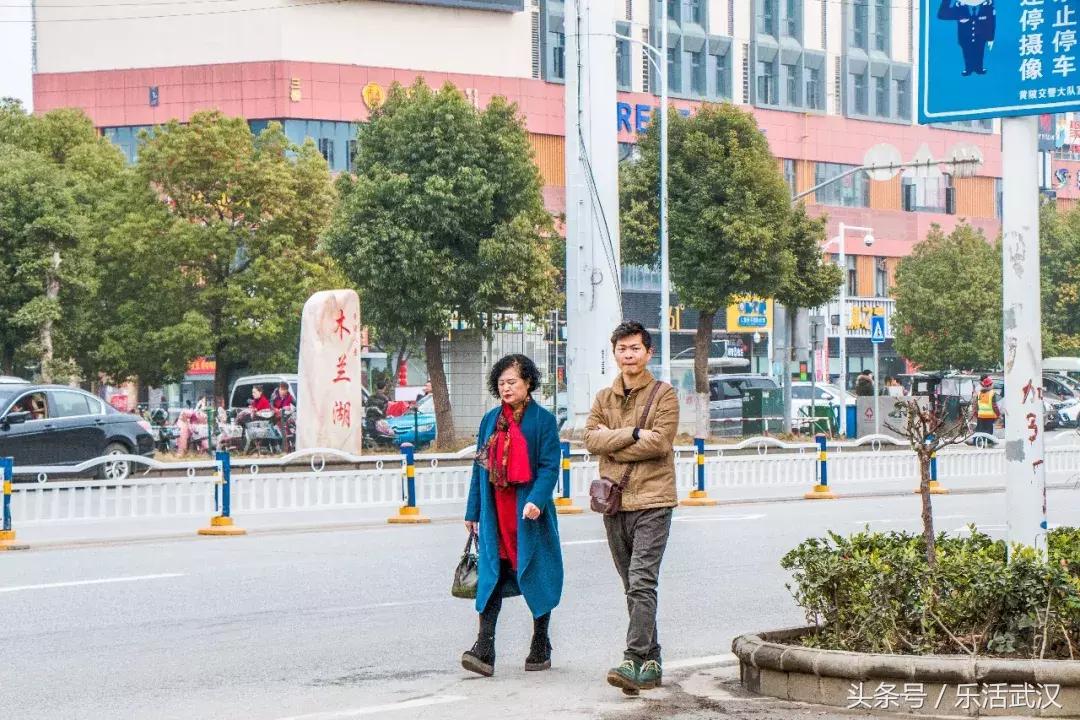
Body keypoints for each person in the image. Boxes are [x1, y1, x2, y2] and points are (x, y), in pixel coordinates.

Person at [584, 321, 680, 695]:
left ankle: (633, 659)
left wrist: (614, 444)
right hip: (615, 502)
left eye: (635, 348)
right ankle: (652, 663)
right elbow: (590, 440)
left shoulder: (664, 394)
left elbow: (660, 443)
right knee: (633, 586)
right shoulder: (603, 398)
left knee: (641, 581)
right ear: (615, 354)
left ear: (648, 353)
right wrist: (634, 433)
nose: (628, 355)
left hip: (654, 500)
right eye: (622, 349)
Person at [462, 354, 563, 678]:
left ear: (528, 382)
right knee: (491, 575)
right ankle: (484, 648)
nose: (506, 388)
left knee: (536, 574)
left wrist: (537, 500)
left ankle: (540, 642)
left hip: (529, 515)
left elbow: (549, 467)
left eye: (512, 382)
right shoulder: (490, 421)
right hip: (496, 512)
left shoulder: (543, 421)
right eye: (501, 383)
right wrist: (473, 510)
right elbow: (480, 467)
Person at [937, 0, 995, 77]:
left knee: (980, 52)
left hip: (981, 37)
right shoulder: (960, 6)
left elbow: (991, 22)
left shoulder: (987, 5)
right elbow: (942, 14)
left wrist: (990, 38)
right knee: (967, 53)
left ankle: (979, 68)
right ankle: (968, 69)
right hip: (965, 37)